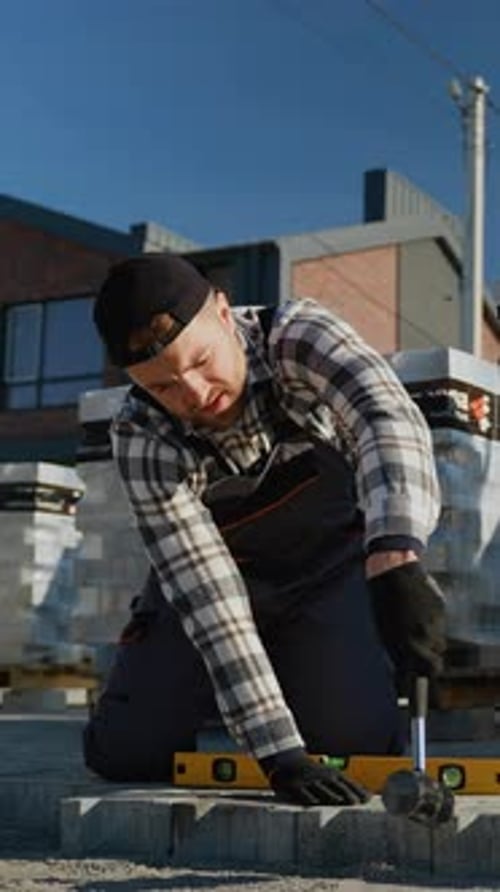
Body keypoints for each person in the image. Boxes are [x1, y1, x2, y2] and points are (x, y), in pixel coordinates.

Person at [85, 252, 446, 807]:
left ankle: (283, 671)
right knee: (127, 754)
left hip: (325, 574)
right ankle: (208, 690)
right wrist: (278, 754)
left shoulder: (300, 338)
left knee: (358, 742)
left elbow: (384, 418)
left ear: (225, 314)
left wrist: (395, 551)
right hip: (210, 592)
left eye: (202, 360)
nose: (195, 394)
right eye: (163, 387)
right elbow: (210, 599)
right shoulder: (142, 436)